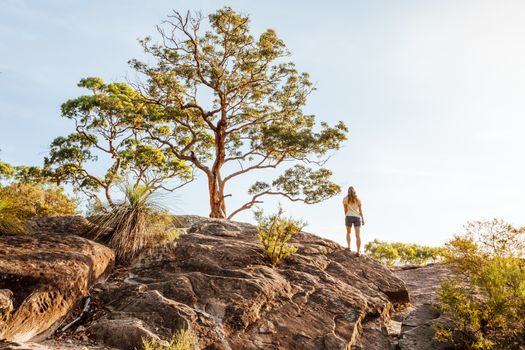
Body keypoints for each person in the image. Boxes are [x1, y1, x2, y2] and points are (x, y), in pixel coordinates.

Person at [343, 186, 365, 255]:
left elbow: (345, 209)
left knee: (348, 233)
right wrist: (363, 219)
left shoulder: (345, 199)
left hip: (348, 216)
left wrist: (346, 215)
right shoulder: (358, 200)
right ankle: (358, 251)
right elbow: (360, 211)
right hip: (357, 217)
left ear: (348, 191)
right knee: (358, 235)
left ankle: (349, 247)